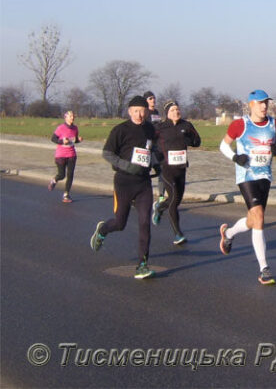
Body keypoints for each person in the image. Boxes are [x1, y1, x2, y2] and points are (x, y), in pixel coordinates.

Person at [217, 90, 276, 285]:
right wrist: (235, 157)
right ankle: (264, 268)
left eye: (267, 103)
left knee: (253, 219)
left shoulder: (274, 124)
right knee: (259, 217)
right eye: (261, 103)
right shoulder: (240, 124)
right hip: (246, 176)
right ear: (251, 105)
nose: (265, 106)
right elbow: (223, 146)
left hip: (265, 175)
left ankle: (228, 234)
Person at [90, 95, 158, 279]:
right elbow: (107, 153)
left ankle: (142, 265)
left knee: (145, 223)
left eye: (142, 111)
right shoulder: (120, 130)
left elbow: (154, 150)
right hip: (124, 182)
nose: (139, 114)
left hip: (143, 183)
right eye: (135, 111)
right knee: (120, 223)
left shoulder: (150, 129)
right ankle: (103, 230)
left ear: (147, 112)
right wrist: (126, 166)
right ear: (129, 112)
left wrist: (157, 163)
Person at [151, 100, 202, 245]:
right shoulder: (160, 128)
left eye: (177, 109)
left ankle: (160, 207)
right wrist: (155, 159)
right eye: (172, 110)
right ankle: (177, 234)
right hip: (166, 169)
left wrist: (190, 141)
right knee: (173, 200)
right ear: (167, 113)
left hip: (181, 168)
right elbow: (150, 144)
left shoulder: (186, 125)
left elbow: (197, 141)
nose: (176, 112)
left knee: (177, 200)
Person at [48, 110, 83, 203]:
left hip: (72, 154)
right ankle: (54, 180)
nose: (72, 118)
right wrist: (62, 141)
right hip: (61, 155)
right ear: (66, 118)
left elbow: (74, 140)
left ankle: (66, 195)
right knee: (62, 175)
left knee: (70, 175)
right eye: (70, 116)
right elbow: (53, 139)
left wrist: (78, 140)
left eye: (73, 116)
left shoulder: (75, 128)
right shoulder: (60, 128)